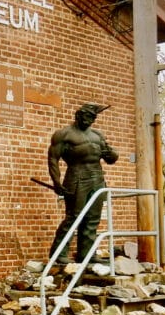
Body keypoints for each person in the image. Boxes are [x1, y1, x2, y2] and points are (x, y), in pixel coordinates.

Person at [48, 103, 119, 264]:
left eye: (93, 118)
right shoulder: (64, 134)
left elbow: (111, 159)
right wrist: (56, 181)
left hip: (97, 178)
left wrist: (112, 154)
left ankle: (86, 253)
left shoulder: (98, 135)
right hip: (77, 177)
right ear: (78, 115)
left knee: (93, 218)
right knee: (74, 217)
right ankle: (58, 253)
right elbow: (53, 158)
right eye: (88, 117)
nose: (90, 121)